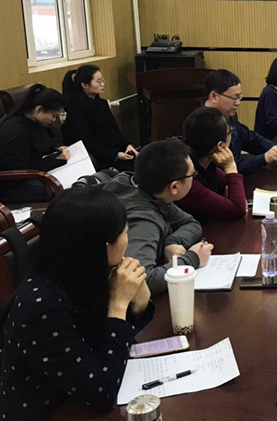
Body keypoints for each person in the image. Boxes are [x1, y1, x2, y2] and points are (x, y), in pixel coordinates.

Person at [0, 186, 153, 421]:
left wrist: (138, 304)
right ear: (104, 246)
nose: (128, 240)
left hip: (77, 407)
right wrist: (118, 306)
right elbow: (101, 394)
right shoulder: (42, 308)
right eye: (126, 232)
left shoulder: (80, 272)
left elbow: (114, 341)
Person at [78, 138, 212, 295]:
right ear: (174, 187)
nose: (193, 178)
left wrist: (171, 242)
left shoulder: (138, 186)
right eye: (192, 174)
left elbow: (191, 223)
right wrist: (191, 259)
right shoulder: (143, 221)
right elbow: (141, 282)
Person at [203, 69, 277, 175]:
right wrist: (265, 158)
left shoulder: (227, 117)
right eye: (234, 98)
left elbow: (252, 139)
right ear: (214, 96)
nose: (238, 103)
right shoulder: (204, 125)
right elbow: (228, 168)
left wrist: (275, 149)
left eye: (239, 97)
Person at [61, 64, 138, 171]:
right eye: (98, 81)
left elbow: (114, 130)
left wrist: (127, 145)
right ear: (85, 85)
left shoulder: (102, 103)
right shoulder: (77, 109)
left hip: (115, 150)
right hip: (100, 156)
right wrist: (115, 155)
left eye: (102, 80)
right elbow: (87, 142)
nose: (103, 84)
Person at [177, 106, 247, 222]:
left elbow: (229, 187)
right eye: (230, 132)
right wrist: (230, 166)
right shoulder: (186, 177)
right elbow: (238, 208)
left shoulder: (203, 159)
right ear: (220, 145)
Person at [0, 84, 69, 201]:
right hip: (15, 183)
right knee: (58, 187)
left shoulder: (35, 122)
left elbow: (40, 145)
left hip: (32, 174)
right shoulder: (16, 131)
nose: (54, 119)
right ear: (39, 109)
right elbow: (23, 168)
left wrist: (57, 148)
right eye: (53, 115)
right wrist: (56, 159)